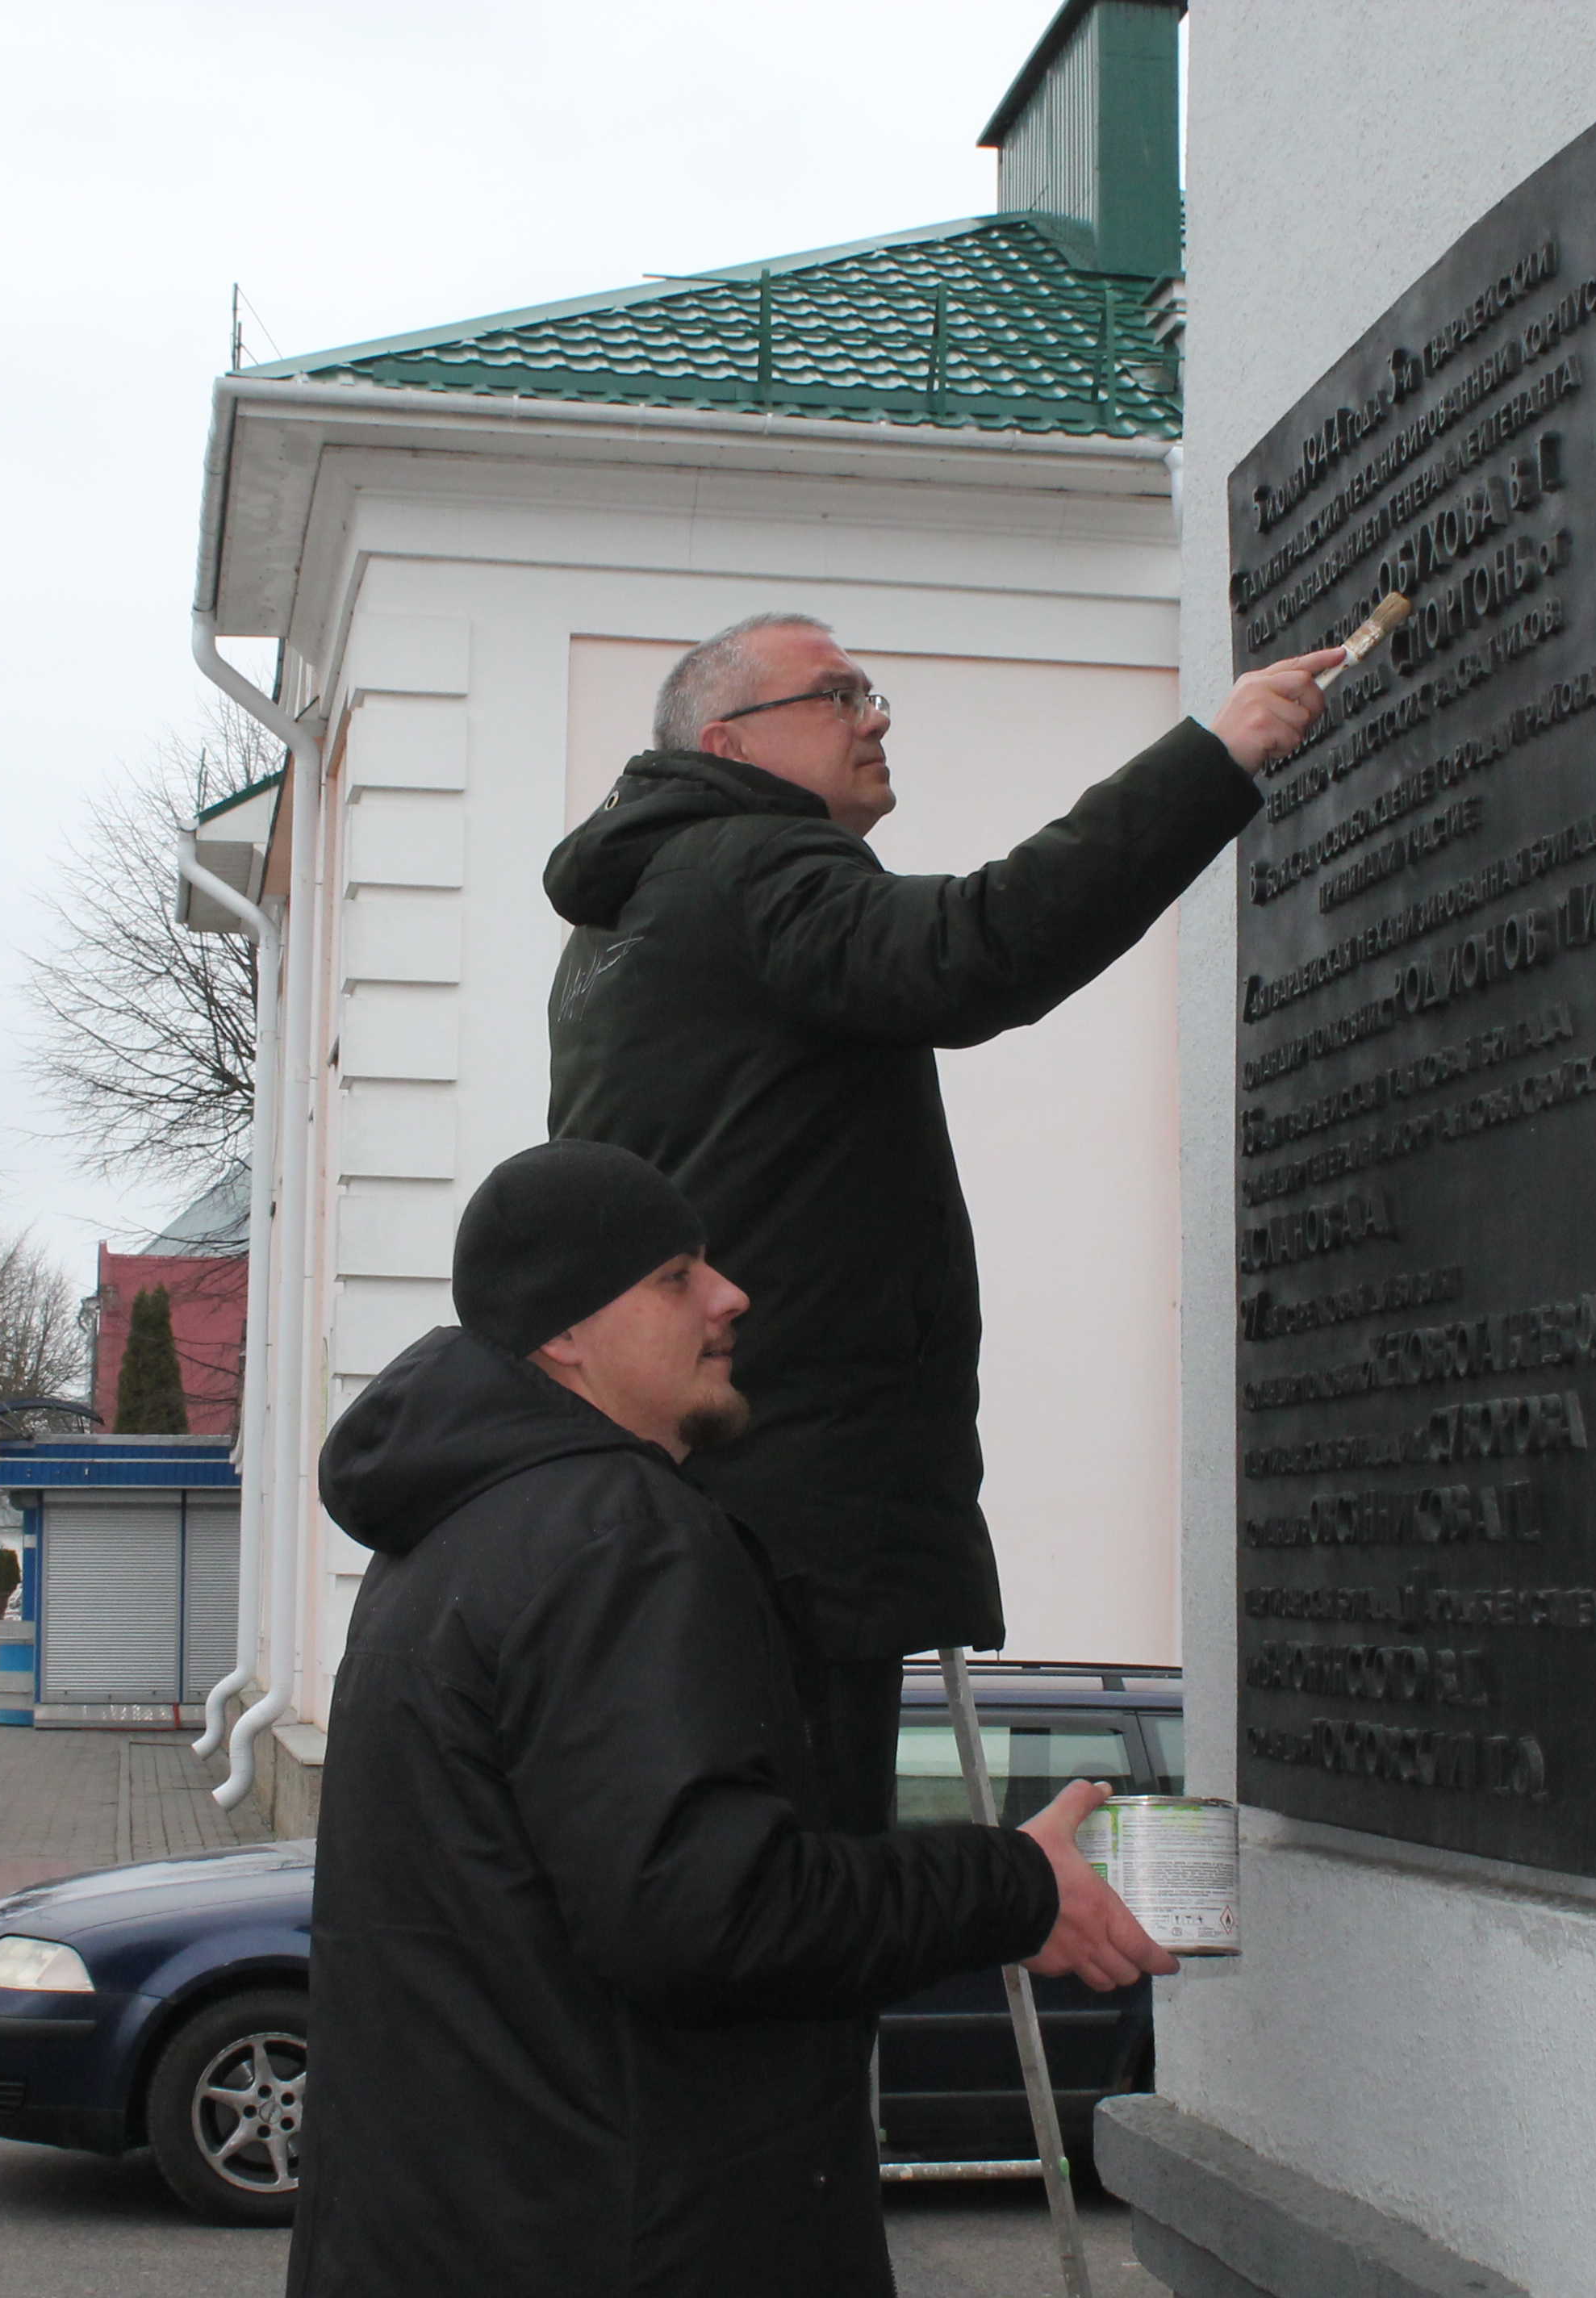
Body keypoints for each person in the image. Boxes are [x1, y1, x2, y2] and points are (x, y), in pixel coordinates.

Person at [292, 1140, 1172, 2298]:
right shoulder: (619, 1533)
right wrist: (1014, 1885)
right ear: (567, 1332)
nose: (729, 1296)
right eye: (675, 1276)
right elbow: (709, 1916)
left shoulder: (443, 1544)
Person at [544, 613, 1340, 1827]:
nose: (874, 716)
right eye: (837, 693)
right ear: (728, 741)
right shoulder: (753, 864)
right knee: (802, 1920)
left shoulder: (624, 923)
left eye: (874, 690)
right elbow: (977, 948)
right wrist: (1212, 756)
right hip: (796, 1508)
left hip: (707, 1500)